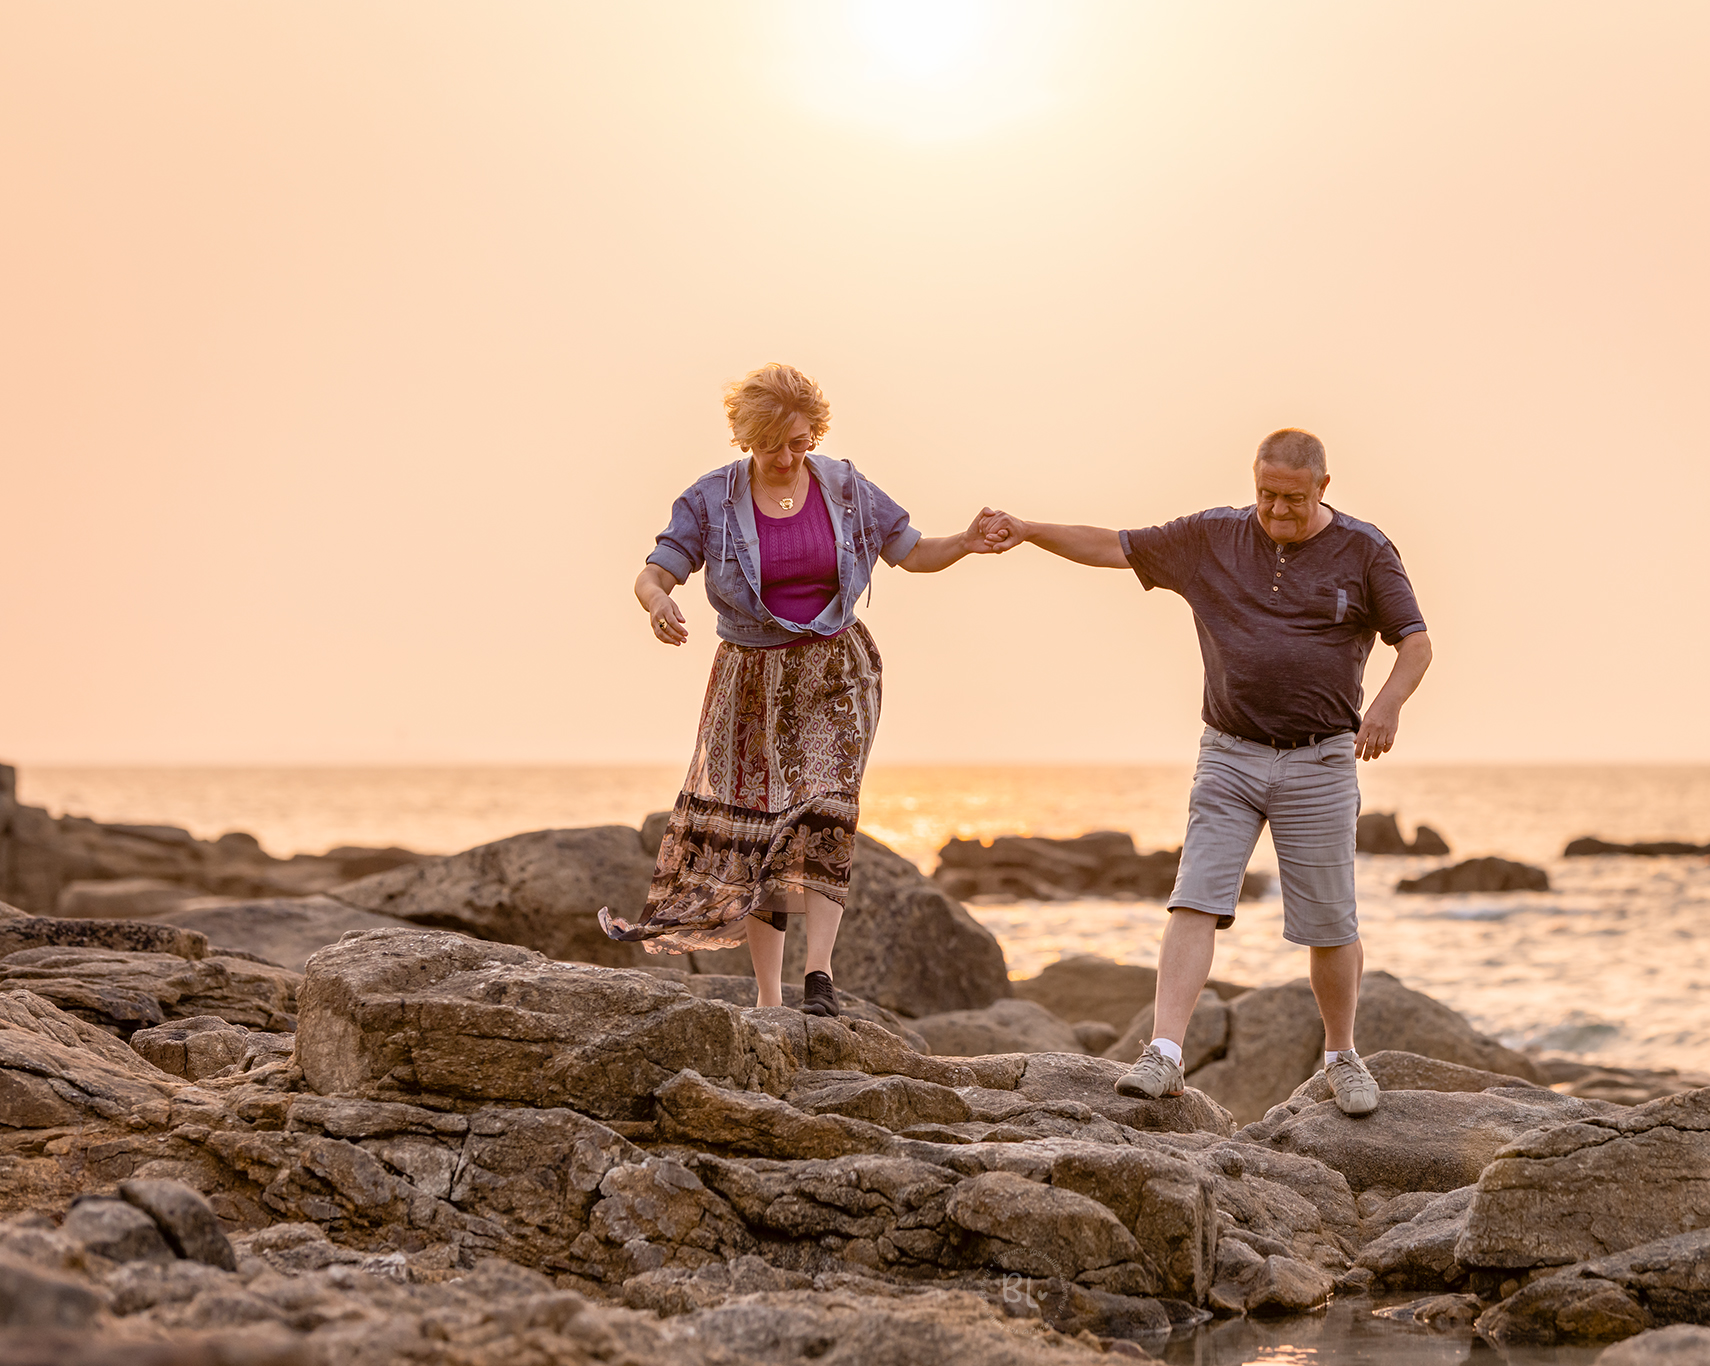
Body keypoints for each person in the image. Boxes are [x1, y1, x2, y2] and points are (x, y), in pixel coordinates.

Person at [981, 428, 1432, 1114]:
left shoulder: (1365, 550)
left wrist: (1389, 707)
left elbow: (1417, 644)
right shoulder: (1212, 537)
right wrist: (1029, 529)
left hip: (1321, 759)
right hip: (1229, 753)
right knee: (1195, 897)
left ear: (1323, 488)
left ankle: (1342, 1057)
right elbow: (1112, 545)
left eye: (1292, 498)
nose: (1276, 510)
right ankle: (1164, 1052)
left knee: (1330, 923)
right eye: (1265, 495)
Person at [599, 363, 1000, 1017]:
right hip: (750, 683)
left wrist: (967, 543)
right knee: (760, 835)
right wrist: (655, 605)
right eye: (772, 445)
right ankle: (766, 997)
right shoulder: (711, 499)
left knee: (825, 811)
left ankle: (818, 977)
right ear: (745, 440)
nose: (788, 457)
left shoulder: (844, 489)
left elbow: (911, 551)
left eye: (800, 441)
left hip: (837, 672)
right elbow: (655, 571)